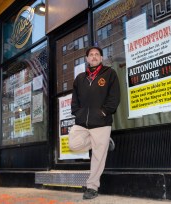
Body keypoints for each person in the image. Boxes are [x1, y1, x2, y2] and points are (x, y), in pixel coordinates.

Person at [69, 46, 120, 200]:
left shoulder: (110, 74)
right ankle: (104, 142)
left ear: (101, 58)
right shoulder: (80, 78)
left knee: (98, 156)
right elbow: (74, 100)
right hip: (82, 122)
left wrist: (104, 112)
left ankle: (92, 187)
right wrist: (78, 113)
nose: (94, 56)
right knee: (73, 144)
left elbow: (114, 97)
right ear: (87, 59)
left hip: (101, 122)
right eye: (91, 55)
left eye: (97, 54)